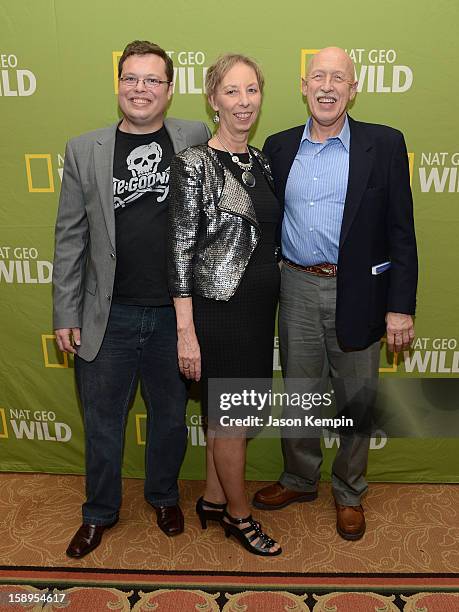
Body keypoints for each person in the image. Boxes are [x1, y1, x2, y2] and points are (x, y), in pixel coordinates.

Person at [53, 40, 210, 558]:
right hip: (108, 316)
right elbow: (71, 238)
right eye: (131, 79)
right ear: (118, 84)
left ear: (169, 90)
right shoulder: (84, 149)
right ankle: (99, 512)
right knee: (102, 424)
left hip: (174, 316)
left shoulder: (194, 136)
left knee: (169, 419)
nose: (140, 89)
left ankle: (165, 497)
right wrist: (66, 312)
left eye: (152, 80)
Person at [253, 47, 418, 541]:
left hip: (360, 290)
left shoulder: (384, 144)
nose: (327, 87)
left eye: (338, 78)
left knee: (356, 398)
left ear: (353, 89)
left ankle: (349, 490)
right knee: (301, 393)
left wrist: (399, 306)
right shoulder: (278, 148)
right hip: (296, 285)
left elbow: (401, 232)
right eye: (318, 77)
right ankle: (301, 479)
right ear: (303, 86)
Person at [168, 54, 282, 556]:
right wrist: (186, 332)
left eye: (251, 90)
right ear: (213, 99)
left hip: (258, 313)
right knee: (231, 420)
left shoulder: (260, 161)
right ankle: (240, 517)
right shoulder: (194, 163)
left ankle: (213, 499)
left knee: (226, 417)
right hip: (218, 315)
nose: (243, 102)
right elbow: (178, 252)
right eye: (231, 92)